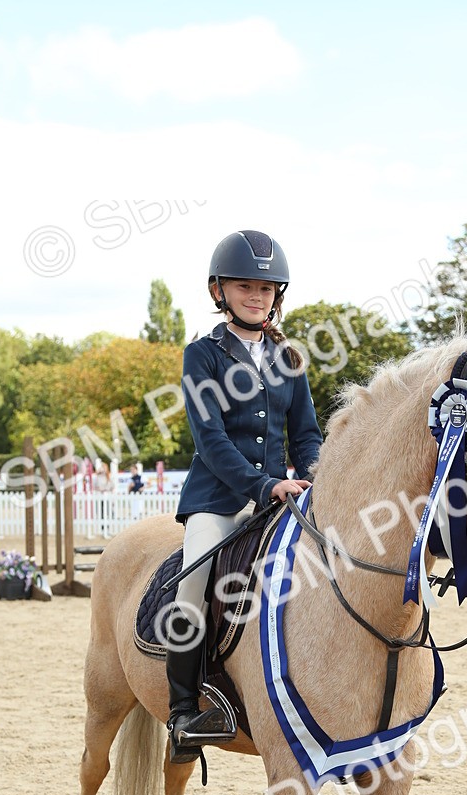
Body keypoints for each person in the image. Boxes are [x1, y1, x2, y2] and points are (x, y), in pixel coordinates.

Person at [167, 229, 323, 762]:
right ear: (219, 291)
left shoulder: (290, 358)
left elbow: (304, 433)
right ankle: (185, 711)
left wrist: (316, 475)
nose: (255, 296)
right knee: (191, 592)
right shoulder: (201, 356)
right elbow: (209, 441)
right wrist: (264, 485)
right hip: (217, 499)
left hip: (277, 498)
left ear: (277, 294)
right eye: (243, 287)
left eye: (265, 288)